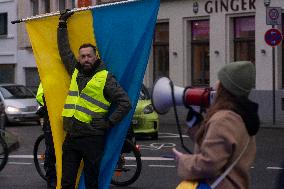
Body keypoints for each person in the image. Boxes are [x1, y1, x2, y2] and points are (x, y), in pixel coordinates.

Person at [57, 10, 132, 189]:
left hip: (92, 139)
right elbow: (64, 50)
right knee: (66, 182)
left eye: (89, 56)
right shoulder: (75, 71)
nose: (86, 59)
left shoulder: (106, 78)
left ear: (96, 56)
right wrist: (61, 25)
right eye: (82, 56)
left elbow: (125, 103)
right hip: (72, 136)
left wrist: (108, 123)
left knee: (91, 183)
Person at [173, 61, 260, 189]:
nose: (216, 84)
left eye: (220, 80)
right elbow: (219, 149)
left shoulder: (224, 119)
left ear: (226, 87)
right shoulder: (242, 116)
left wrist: (183, 161)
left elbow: (209, 164)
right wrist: (197, 127)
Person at [36, 83, 56, 189]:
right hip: (51, 116)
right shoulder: (47, 76)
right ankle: (51, 180)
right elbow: (40, 96)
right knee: (51, 151)